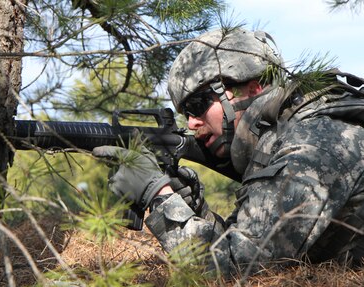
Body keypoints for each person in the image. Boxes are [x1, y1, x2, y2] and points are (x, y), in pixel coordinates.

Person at [92, 27, 364, 277]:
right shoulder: (279, 139)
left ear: (253, 87)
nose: (191, 123)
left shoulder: (312, 141)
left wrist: (157, 193)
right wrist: (191, 206)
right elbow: (241, 239)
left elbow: (236, 267)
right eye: (186, 113)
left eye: (198, 104)